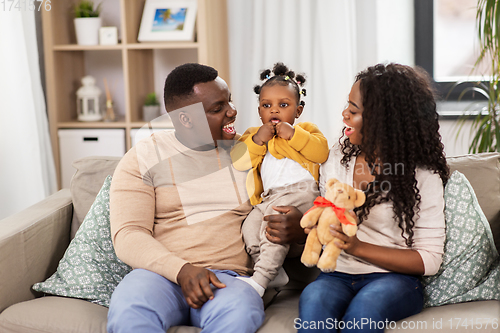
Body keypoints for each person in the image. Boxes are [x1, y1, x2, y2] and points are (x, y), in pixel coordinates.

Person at [107, 63, 302, 333]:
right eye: (217, 108)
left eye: (229, 101)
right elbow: (128, 234)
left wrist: (298, 230)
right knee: (129, 311)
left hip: (230, 280)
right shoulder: (145, 156)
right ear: (186, 119)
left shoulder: (255, 153)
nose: (233, 111)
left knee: (240, 314)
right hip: (159, 277)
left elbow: (284, 217)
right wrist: (182, 270)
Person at [298, 63, 450, 332]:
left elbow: (429, 260)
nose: (344, 114)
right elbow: (327, 214)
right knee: (313, 302)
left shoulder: (422, 174)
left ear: (383, 121)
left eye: (354, 111)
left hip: (394, 280)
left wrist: (358, 247)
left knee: (364, 312)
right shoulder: (338, 157)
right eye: (348, 105)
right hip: (337, 274)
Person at [231, 63, 329, 296]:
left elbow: (321, 152)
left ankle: (260, 280)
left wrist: (294, 135)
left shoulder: (306, 129)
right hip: (268, 198)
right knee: (250, 229)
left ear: (298, 111)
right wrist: (257, 140)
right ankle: (274, 273)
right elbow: (238, 161)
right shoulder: (253, 135)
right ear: (259, 111)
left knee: (273, 228)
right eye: (267, 106)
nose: (274, 111)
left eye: (283, 105)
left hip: (301, 193)